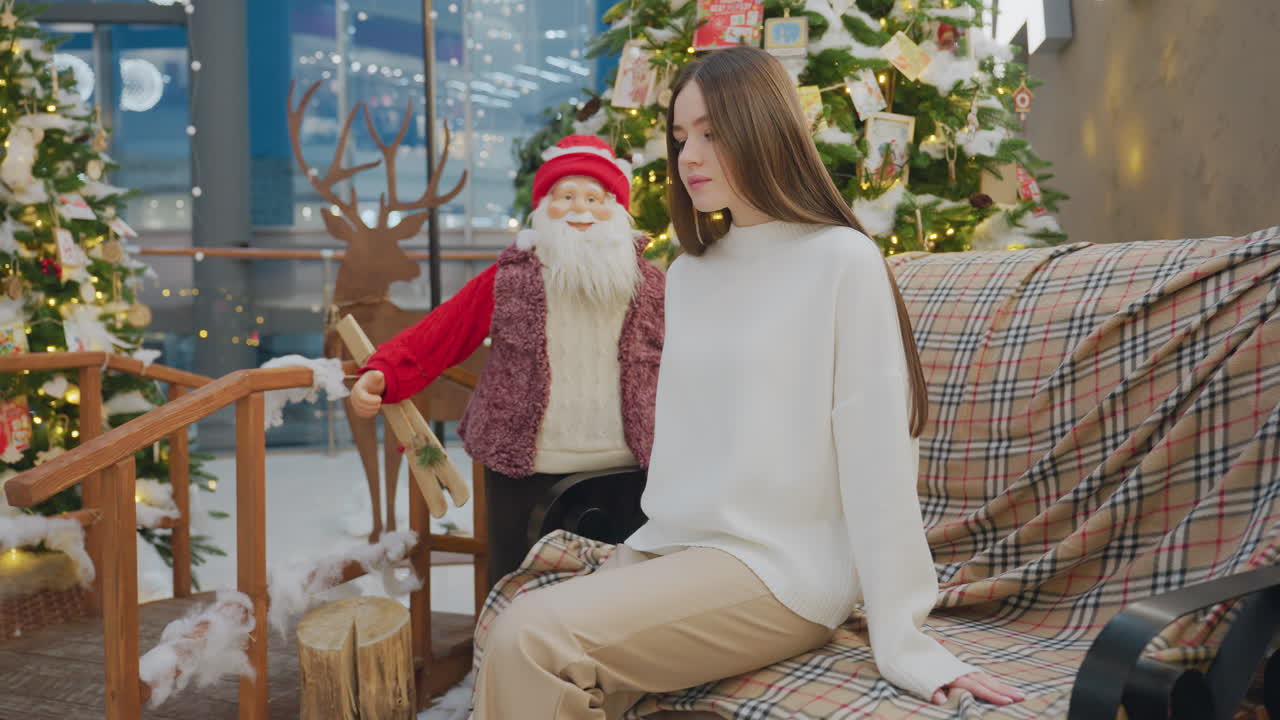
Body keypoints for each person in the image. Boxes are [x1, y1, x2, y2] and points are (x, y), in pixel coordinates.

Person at [473, 46, 1025, 718]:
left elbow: (878, 453)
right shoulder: (688, 273)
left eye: (711, 133)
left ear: (763, 129)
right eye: (680, 137)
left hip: (785, 571)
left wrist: (904, 637)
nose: (688, 157)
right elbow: (684, 451)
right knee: (533, 631)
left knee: (528, 639)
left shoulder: (840, 260)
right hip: (683, 549)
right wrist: (644, 556)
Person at [348, 135, 664, 590]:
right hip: (524, 467)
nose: (580, 210)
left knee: (619, 590)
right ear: (542, 209)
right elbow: (444, 331)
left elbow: (690, 356)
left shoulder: (651, 286)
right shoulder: (509, 278)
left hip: (627, 470)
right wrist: (384, 372)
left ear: (616, 212)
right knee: (519, 583)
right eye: (565, 197)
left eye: (594, 198)